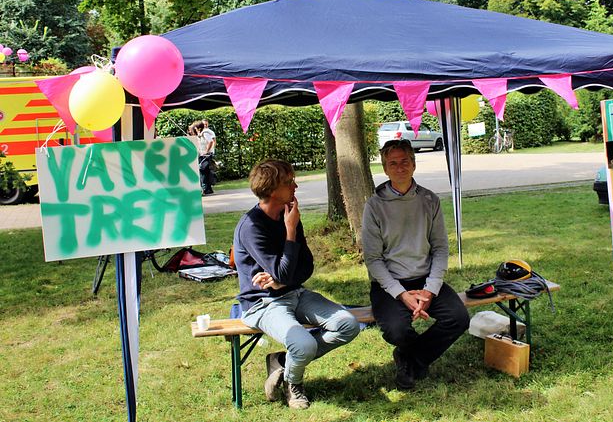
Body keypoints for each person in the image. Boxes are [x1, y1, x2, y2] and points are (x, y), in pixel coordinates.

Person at [233, 159, 359, 409]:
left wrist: (281, 280)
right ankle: (294, 384)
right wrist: (290, 232)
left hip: (294, 293)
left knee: (348, 324)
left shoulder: (288, 212)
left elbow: (306, 267)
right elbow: (285, 270)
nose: (296, 186)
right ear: (270, 190)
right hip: (263, 303)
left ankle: (282, 362)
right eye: (288, 182)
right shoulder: (252, 227)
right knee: (304, 343)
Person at [362, 139, 469, 390]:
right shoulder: (374, 206)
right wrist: (401, 294)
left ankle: (410, 358)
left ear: (414, 164)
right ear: (385, 169)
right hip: (389, 283)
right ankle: (411, 356)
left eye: (405, 162)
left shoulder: (429, 200)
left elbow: (441, 248)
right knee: (396, 330)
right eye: (393, 163)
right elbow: (373, 259)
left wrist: (430, 289)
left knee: (458, 318)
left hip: (425, 278)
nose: (400, 168)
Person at [193, 120, 216, 195]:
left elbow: (211, 141)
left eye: (195, 128)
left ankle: (205, 188)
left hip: (205, 155)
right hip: (204, 154)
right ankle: (208, 189)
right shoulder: (202, 133)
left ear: (198, 128)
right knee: (205, 172)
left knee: (203, 171)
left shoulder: (205, 133)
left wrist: (206, 151)